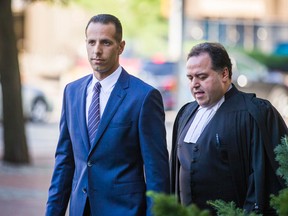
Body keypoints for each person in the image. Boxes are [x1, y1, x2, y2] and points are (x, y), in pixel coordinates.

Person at [46, 14, 170, 216]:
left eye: (106, 42)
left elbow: (157, 172)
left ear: (120, 47)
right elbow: (64, 162)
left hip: (124, 211)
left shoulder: (144, 97)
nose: (97, 50)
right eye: (91, 42)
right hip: (80, 210)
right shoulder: (72, 92)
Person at [170, 42, 288, 215]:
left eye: (202, 77)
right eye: (190, 78)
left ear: (224, 74)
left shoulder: (255, 113)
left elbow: (265, 180)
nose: (194, 84)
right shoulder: (185, 113)